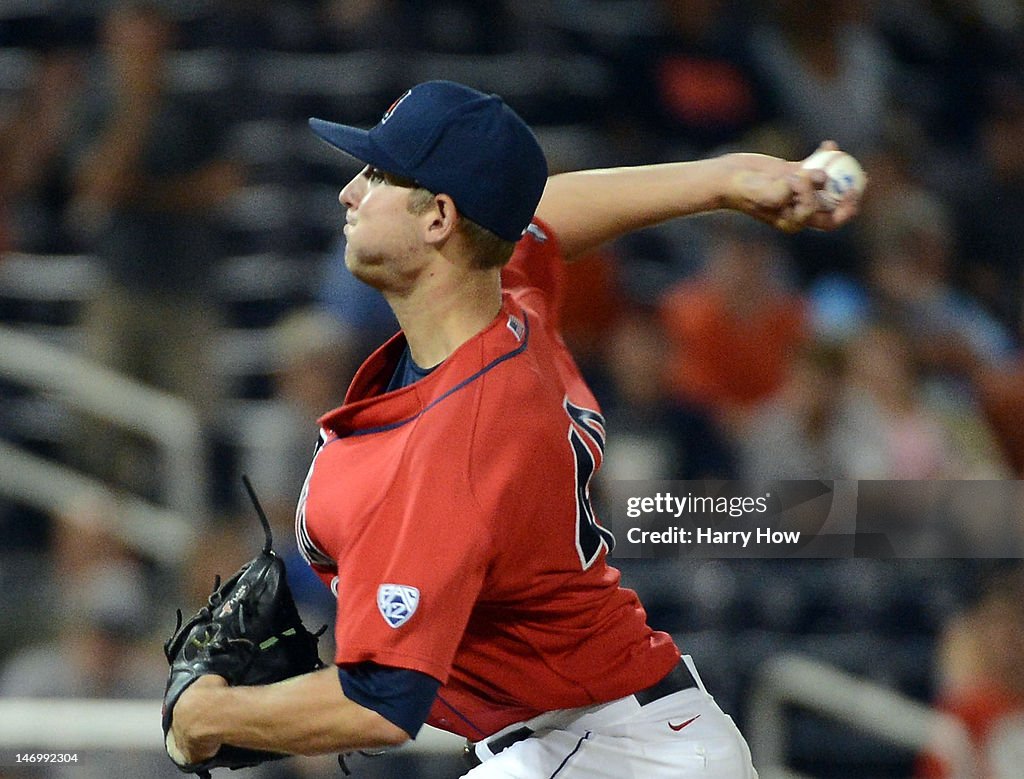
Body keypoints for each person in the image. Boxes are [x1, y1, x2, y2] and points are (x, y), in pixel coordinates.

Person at [168, 79, 859, 777]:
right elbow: (540, 219)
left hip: (615, 752)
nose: (350, 191)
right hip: (606, 737)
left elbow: (378, 702)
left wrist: (206, 716)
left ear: (439, 217)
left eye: (377, 174)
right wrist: (724, 178)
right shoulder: (501, 296)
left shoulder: (456, 443)